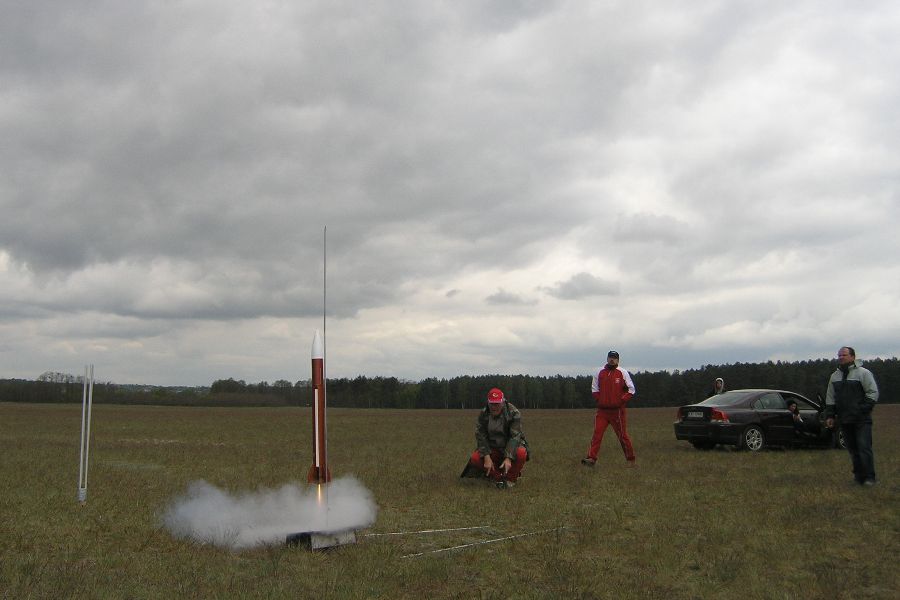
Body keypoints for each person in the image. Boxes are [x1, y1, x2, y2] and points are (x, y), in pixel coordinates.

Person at [824, 346, 879, 486]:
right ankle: (859, 477)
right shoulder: (834, 376)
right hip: (844, 419)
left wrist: (863, 409)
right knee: (853, 450)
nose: (841, 357)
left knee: (864, 448)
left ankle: (869, 478)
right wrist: (830, 415)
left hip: (861, 419)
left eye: (844, 355)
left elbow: (872, 392)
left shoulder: (863, 373)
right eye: (839, 355)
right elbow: (830, 397)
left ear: (853, 357)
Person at [582, 350, 636, 467]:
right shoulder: (599, 372)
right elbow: (594, 389)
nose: (612, 360)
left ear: (618, 360)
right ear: (607, 359)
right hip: (602, 411)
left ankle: (631, 460)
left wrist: (621, 401)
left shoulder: (622, 372)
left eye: (614, 358)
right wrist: (600, 400)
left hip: (617, 412)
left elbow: (631, 389)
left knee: (622, 436)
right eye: (610, 357)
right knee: (597, 434)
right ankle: (591, 458)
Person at [469, 388, 529, 489]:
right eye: (492, 404)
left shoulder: (514, 413)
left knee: (521, 453)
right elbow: (480, 435)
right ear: (488, 403)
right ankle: (497, 478)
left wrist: (508, 458)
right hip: (492, 448)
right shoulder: (483, 414)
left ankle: (510, 480)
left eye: (497, 404)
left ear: (502, 402)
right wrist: (487, 457)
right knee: (475, 458)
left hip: (510, 446)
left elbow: (515, 436)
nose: (494, 407)